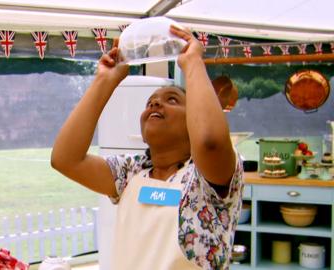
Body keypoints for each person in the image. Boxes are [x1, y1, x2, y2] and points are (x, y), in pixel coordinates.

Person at [51, 24, 244, 270]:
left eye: (171, 99)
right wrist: (104, 81)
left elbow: (210, 142)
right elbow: (65, 159)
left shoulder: (207, 177)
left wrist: (193, 62)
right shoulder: (130, 172)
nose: (155, 104)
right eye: (150, 102)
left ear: (193, 118)